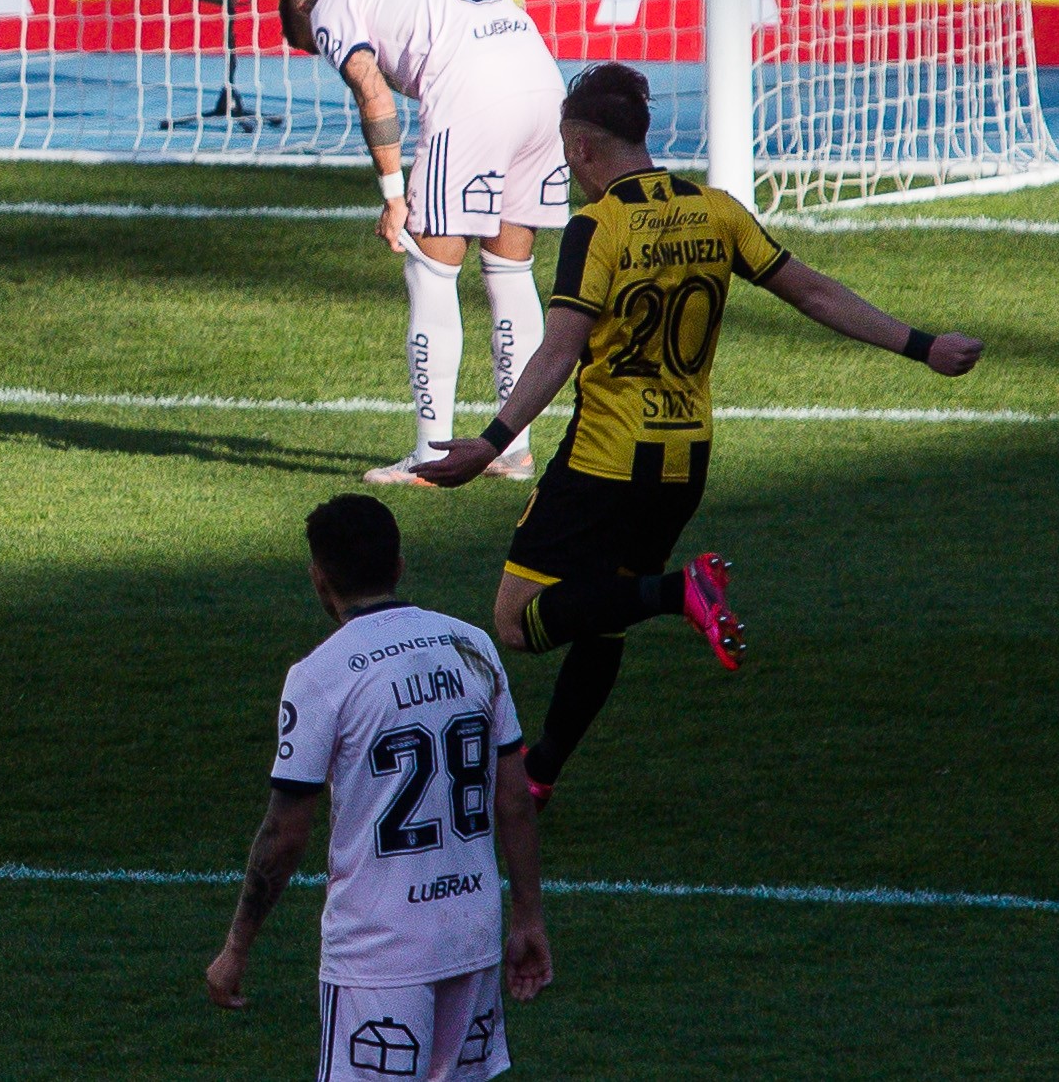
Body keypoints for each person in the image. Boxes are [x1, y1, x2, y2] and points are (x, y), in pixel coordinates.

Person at [416, 64, 982, 804]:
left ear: (580, 146)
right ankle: (542, 772)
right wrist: (922, 345)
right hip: (684, 460)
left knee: (519, 622)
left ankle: (679, 591)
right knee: (606, 615)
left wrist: (491, 442)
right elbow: (812, 291)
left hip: (605, 460)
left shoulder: (598, 227)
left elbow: (557, 351)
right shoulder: (716, 211)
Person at [205, 496, 551, 1082]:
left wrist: (236, 947)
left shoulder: (320, 675)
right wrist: (529, 916)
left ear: (319, 577)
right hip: (471, 933)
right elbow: (515, 800)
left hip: (379, 951)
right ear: (399, 565)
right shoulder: (471, 644)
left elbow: (284, 833)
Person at [278, 0, 569, 485]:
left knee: (429, 269)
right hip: (546, 88)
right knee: (510, 271)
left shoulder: (329, 3)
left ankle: (430, 456)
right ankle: (515, 449)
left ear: (304, 10)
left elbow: (372, 92)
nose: (324, 51)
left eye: (314, 45)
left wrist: (394, 197)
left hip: (474, 96)